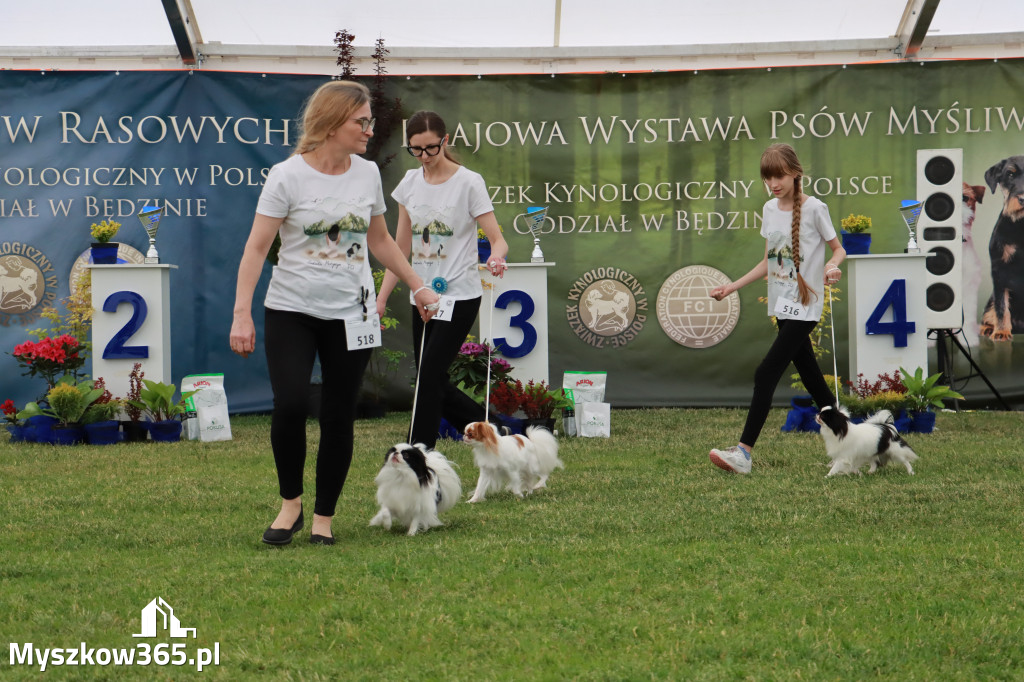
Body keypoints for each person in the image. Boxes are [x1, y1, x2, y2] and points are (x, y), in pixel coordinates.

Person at [229, 81, 439, 546]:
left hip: (353, 313)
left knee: (338, 414)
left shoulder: (365, 174)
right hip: (291, 309)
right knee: (289, 405)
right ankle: (291, 507)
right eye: (360, 122)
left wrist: (418, 286)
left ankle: (323, 518)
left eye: (370, 121)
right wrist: (241, 313)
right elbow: (256, 248)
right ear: (330, 124)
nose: (369, 129)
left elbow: (380, 241)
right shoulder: (286, 176)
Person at [707, 143, 846, 474]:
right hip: (781, 306)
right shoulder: (770, 209)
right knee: (813, 380)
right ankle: (854, 442)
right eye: (768, 178)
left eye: (779, 176)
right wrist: (732, 287)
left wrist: (832, 267)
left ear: (795, 172)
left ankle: (743, 453)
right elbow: (770, 262)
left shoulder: (815, 208)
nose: (773, 183)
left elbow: (838, 249)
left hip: (806, 306)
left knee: (765, 372)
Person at [376, 110, 509, 448]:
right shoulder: (409, 183)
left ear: (445, 141)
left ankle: (416, 450)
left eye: (431, 149)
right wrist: (380, 300)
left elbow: (498, 238)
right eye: (416, 150)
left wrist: (496, 255)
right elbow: (399, 247)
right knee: (430, 380)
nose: (424, 157)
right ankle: (497, 432)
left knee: (429, 377)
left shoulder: (469, 182)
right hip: (422, 296)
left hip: (460, 295)